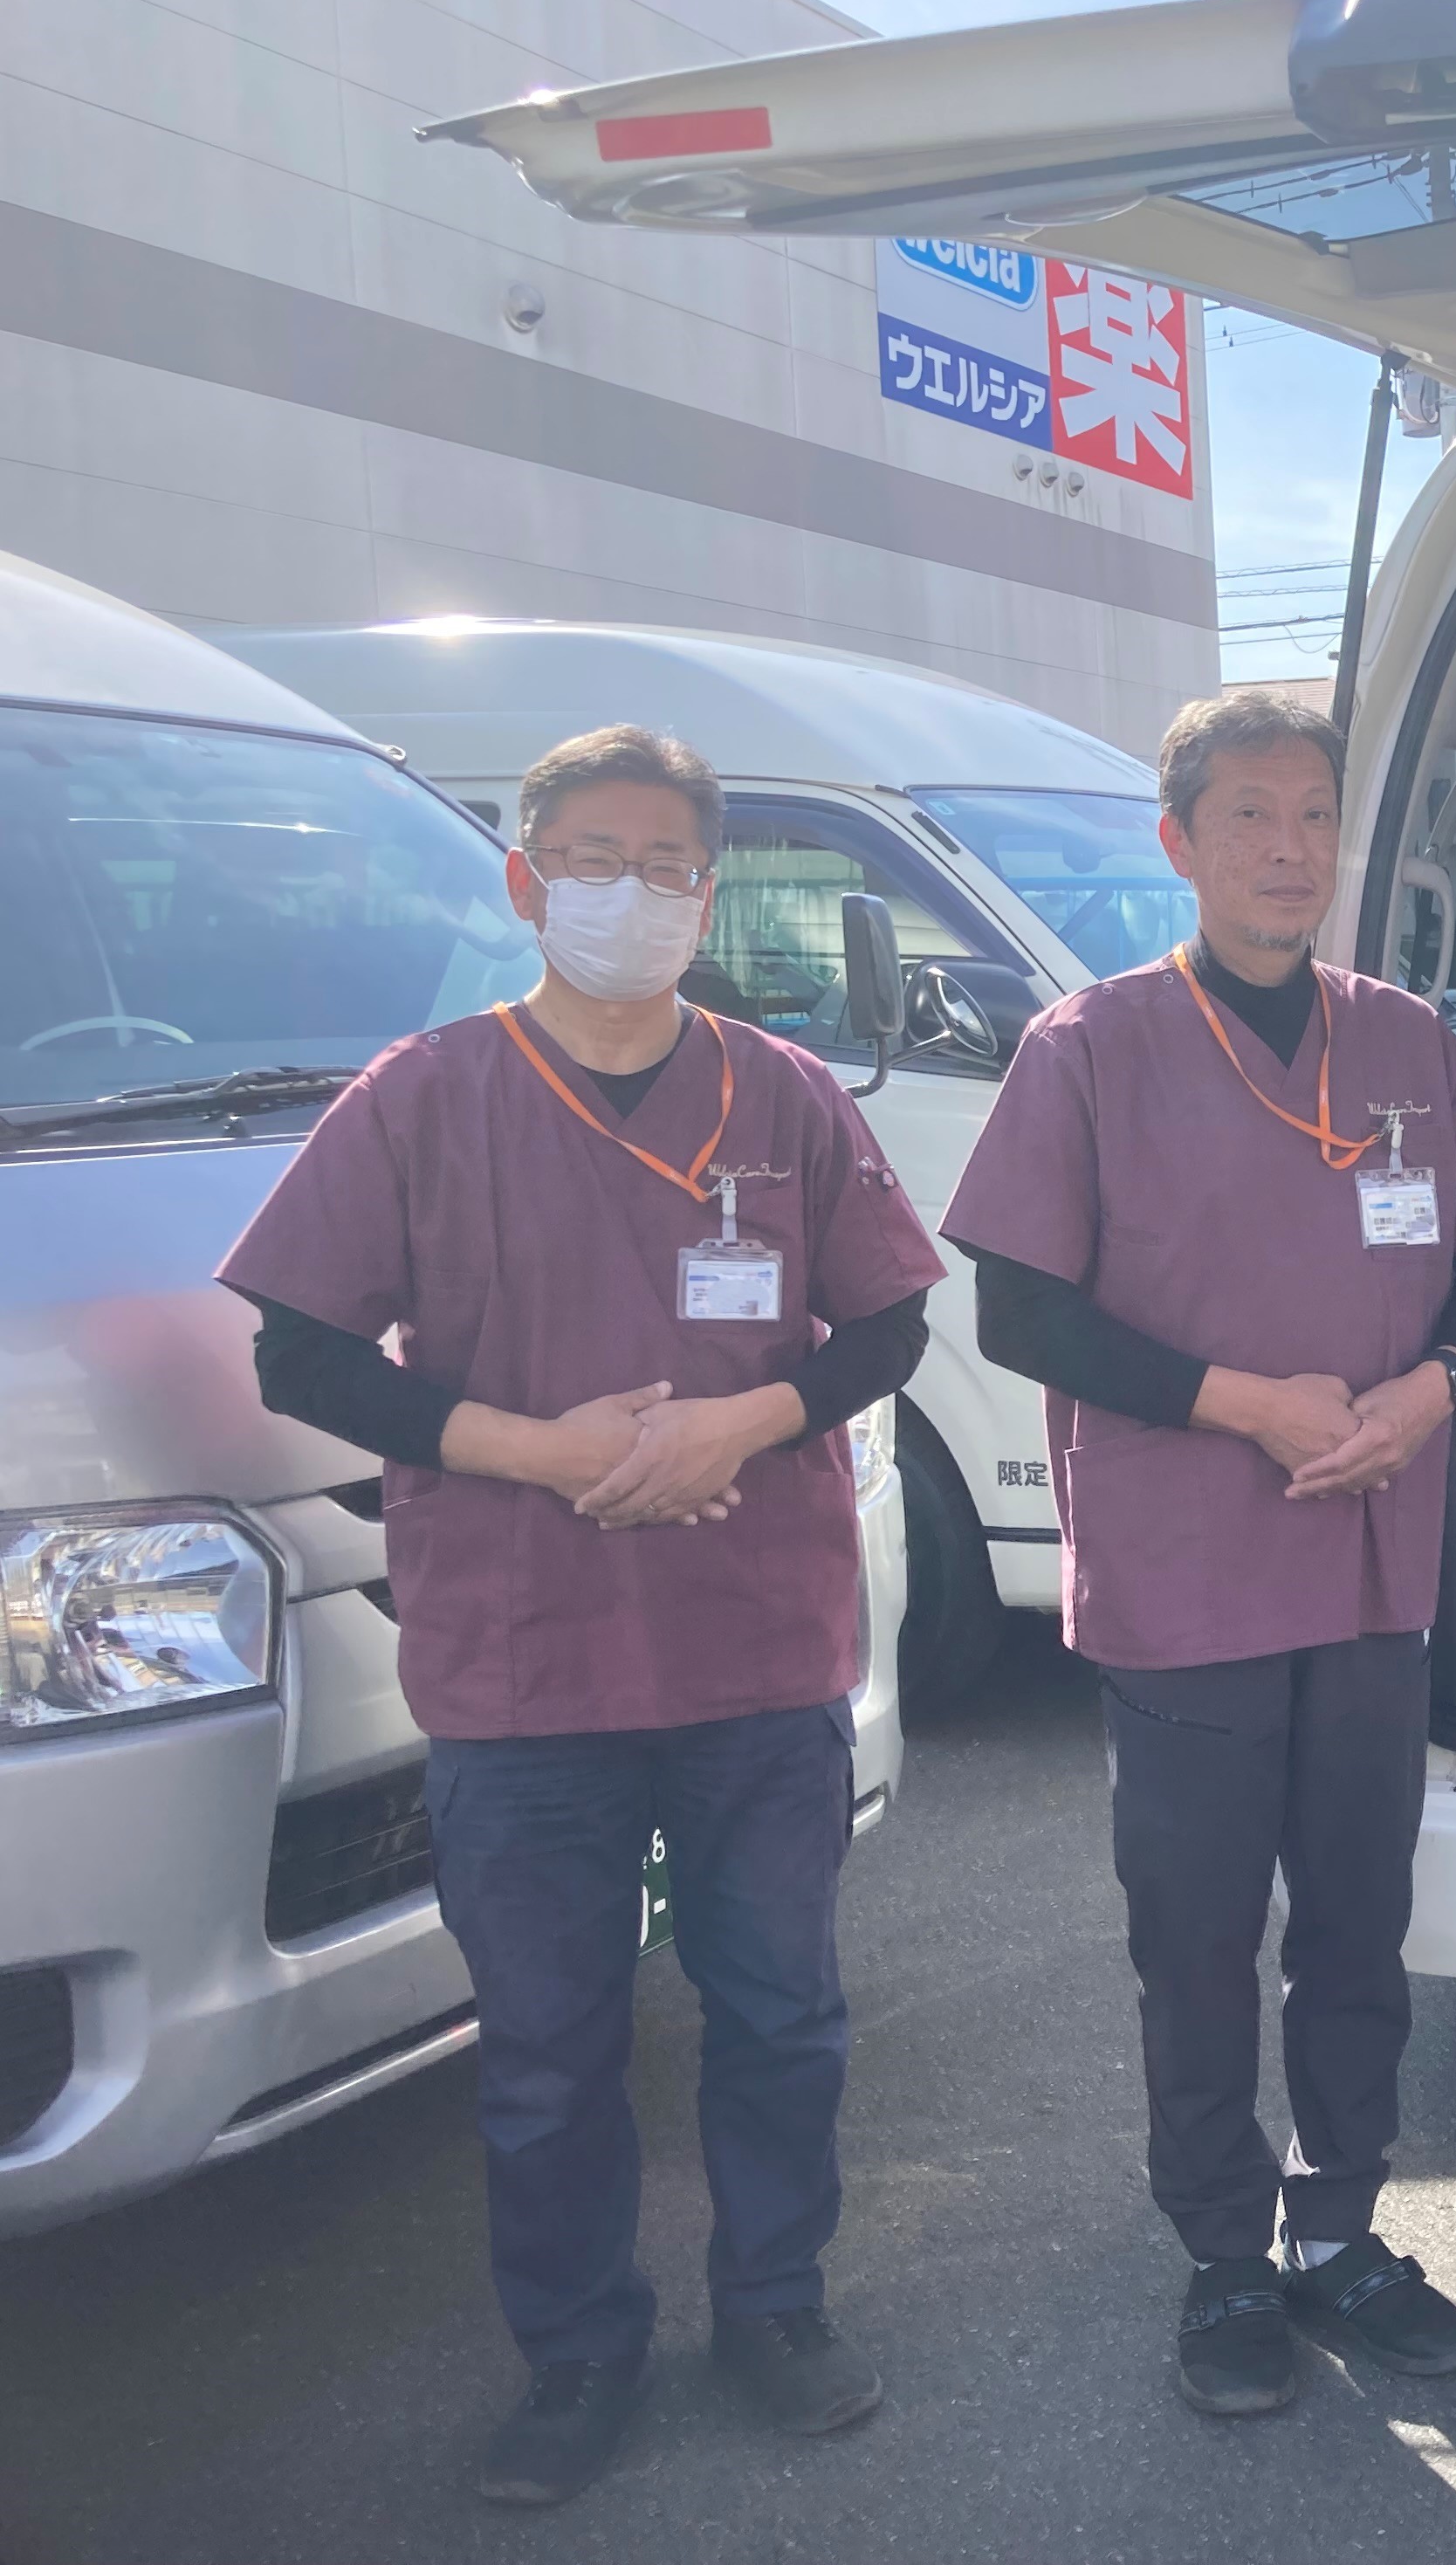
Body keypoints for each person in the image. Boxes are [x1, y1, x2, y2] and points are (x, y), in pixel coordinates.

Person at [220, 725, 944, 2506]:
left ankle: (774, 2305)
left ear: (710, 891)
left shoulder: (784, 1096)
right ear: (527, 880)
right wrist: (537, 1450)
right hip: (524, 1655)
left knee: (780, 2014)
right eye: (594, 860)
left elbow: (888, 1327)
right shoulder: (423, 1098)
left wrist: (740, 1424)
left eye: (667, 864)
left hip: (751, 1644)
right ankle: (576, 2351)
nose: (633, 893)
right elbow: (301, 1351)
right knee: (548, 2050)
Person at [944, 689, 1456, 2418]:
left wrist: (1430, 1391)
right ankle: (1223, 2256)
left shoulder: (1407, 1042)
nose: (1290, 850)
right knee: (1198, 1934)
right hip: (1187, 1569)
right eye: (1251, 818)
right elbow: (1021, 1308)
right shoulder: (1092, 1048)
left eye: (1315, 816)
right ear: (1181, 843)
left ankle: (1342, 2229)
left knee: (1358, 1922)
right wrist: (1246, 1407)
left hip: (1366, 1563)